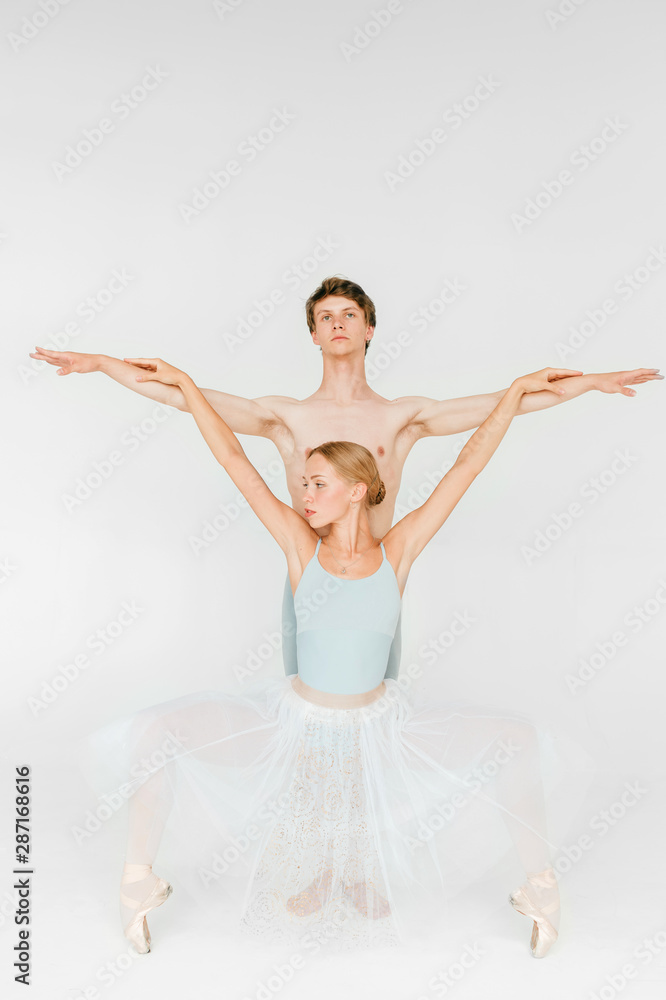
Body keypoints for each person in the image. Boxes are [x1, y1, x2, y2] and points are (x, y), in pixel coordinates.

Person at [82, 357, 594, 959]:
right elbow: (236, 463)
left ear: (358, 490)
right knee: (154, 732)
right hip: (295, 721)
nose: (304, 495)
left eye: (318, 484)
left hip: (382, 725)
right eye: (304, 484)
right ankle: (138, 884)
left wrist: (514, 392)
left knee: (516, 740)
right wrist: (189, 387)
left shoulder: (397, 551)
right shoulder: (302, 549)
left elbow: (467, 465)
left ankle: (542, 891)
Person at [29, 275, 663, 686]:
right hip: (311, 576)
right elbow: (180, 397)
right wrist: (100, 363)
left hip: (384, 570)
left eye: (349, 313)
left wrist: (594, 383)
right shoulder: (283, 416)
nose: (337, 321)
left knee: (374, 703)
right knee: (307, 705)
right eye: (325, 315)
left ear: (368, 328)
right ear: (312, 334)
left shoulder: (403, 416)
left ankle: (360, 855)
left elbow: (510, 404)